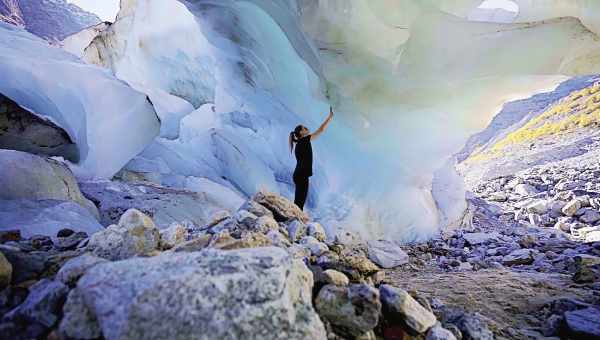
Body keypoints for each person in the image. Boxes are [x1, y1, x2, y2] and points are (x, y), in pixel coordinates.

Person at [288, 106, 334, 210]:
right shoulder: (304, 141)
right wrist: (330, 117)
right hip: (301, 176)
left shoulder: (299, 143)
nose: (306, 128)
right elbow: (321, 130)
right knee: (300, 202)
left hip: (299, 175)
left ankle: (293, 218)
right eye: (304, 128)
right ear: (301, 133)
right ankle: (294, 220)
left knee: (298, 201)